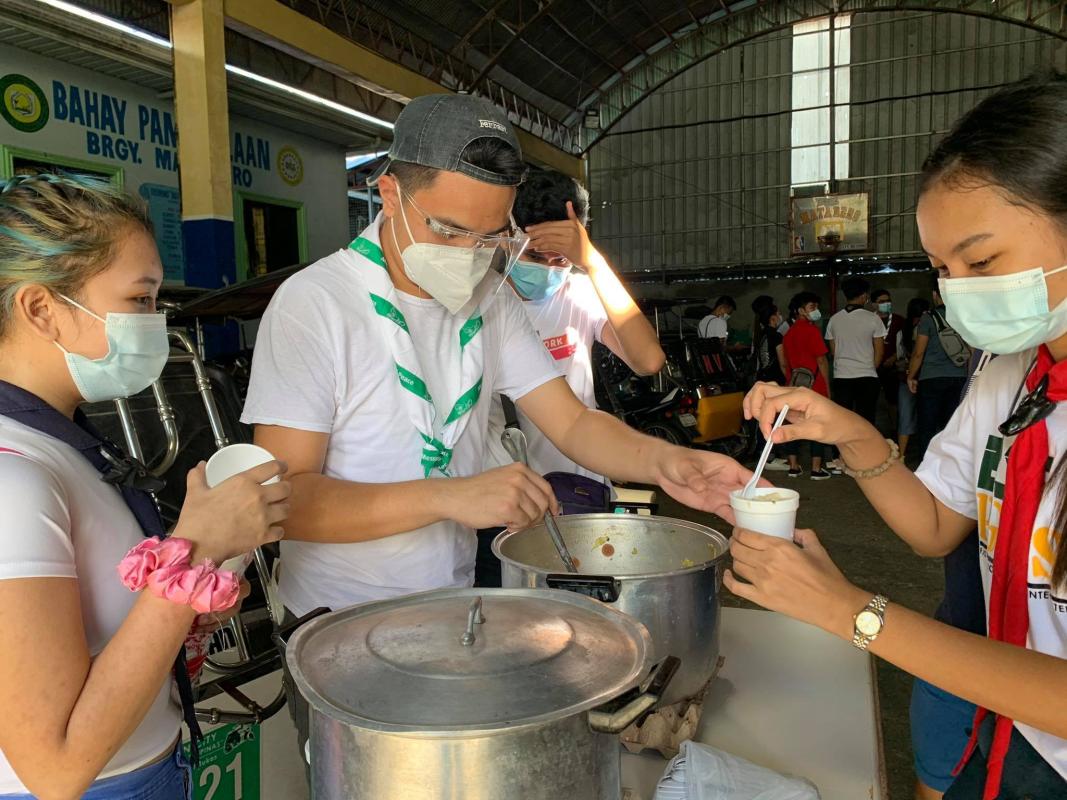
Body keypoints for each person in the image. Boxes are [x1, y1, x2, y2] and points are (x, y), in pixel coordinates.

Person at [241, 94, 758, 758]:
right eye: (450, 230)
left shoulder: (488, 298)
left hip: (456, 611)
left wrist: (667, 462)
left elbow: (573, 422)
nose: (469, 254)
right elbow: (283, 501)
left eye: (491, 237)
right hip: (340, 628)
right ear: (390, 193)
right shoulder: (316, 306)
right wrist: (450, 496)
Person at [738, 74, 1067, 798]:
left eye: (982, 262)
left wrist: (846, 610)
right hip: (1015, 736)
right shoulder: (1014, 374)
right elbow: (935, 526)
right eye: (942, 269)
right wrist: (850, 433)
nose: (959, 291)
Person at [0, 174, 288, 798]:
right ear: (42, 309)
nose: (156, 322)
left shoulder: (62, 442)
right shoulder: (13, 479)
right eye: (139, 299)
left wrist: (185, 608)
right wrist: (194, 553)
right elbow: (54, 767)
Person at [477, 167, 665, 586]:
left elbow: (648, 360)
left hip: (579, 495)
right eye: (535, 256)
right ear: (508, 237)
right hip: (503, 503)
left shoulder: (579, 293)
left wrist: (592, 262)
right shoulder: (481, 299)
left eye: (560, 258)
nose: (548, 269)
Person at [908, 276, 970, 456]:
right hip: (959, 376)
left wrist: (911, 376)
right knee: (952, 424)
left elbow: (918, 352)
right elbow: (972, 349)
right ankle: (951, 461)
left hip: (931, 378)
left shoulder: (928, 318)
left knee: (927, 425)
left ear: (935, 294)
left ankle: (926, 462)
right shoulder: (963, 317)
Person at [780, 292, 832, 480]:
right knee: (816, 426)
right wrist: (827, 387)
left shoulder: (788, 334)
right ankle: (816, 469)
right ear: (800, 310)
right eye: (812, 307)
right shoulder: (812, 331)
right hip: (815, 385)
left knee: (793, 425)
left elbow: (785, 363)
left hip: (793, 386)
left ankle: (794, 467)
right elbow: (821, 360)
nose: (816, 310)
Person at [825, 276, 887, 426]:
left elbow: (833, 351)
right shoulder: (873, 319)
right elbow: (880, 351)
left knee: (843, 421)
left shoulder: (834, 320)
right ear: (864, 296)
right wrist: (871, 368)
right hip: (867, 376)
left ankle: (842, 443)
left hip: (842, 377)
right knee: (866, 421)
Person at [897, 297, 932, 459]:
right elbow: (920, 354)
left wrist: (909, 374)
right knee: (930, 418)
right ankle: (930, 456)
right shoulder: (930, 326)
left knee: (905, 418)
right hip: (927, 376)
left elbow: (901, 356)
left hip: (907, 378)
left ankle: (901, 456)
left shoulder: (903, 331)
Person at [873, 288, 906, 432]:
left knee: (893, 400)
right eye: (882, 301)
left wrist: (894, 357)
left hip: (893, 366)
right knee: (871, 399)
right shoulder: (869, 320)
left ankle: (894, 429)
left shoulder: (899, 320)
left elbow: (905, 343)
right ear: (874, 304)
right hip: (872, 366)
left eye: (888, 301)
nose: (886, 303)